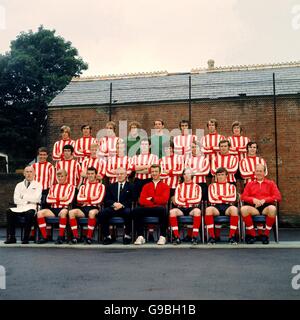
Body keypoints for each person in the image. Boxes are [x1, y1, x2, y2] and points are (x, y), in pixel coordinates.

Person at [240, 164, 281, 244]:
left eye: (260, 171)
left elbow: (278, 197)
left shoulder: (271, 183)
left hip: (266, 207)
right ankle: (253, 235)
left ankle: (265, 235)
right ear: (254, 172)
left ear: (264, 172)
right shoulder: (250, 184)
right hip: (254, 207)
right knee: (243, 209)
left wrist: (264, 200)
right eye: (257, 171)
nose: (258, 173)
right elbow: (243, 197)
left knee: (272, 209)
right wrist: (253, 200)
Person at [132, 165, 170, 245]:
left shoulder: (165, 186)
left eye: (156, 171)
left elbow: (164, 200)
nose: (154, 173)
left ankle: (162, 236)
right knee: (136, 210)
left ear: (160, 173)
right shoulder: (146, 186)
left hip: (158, 209)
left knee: (163, 210)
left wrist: (152, 199)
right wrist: (155, 201)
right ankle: (140, 236)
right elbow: (142, 200)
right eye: (152, 171)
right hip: (147, 208)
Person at [5, 166, 42, 244]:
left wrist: (24, 197)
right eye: (27, 172)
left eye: (30, 172)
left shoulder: (38, 185)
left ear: (34, 173)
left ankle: (26, 238)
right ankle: (12, 237)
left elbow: (37, 199)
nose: (29, 174)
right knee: (9, 211)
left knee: (29, 213)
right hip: (20, 207)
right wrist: (28, 200)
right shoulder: (19, 185)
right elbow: (16, 199)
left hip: (32, 207)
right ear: (24, 174)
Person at [68, 167, 105, 244]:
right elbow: (79, 199)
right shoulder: (83, 186)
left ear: (95, 175)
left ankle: (89, 237)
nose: (90, 175)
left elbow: (99, 200)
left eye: (92, 174)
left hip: (95, 208)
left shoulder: (101, 186)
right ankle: (75, 237)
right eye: (88, 174)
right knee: (71, 212)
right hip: (84, 208)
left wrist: (85, 198)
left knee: (91, 213)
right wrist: (91, 198)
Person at [37, 169, 75, 244]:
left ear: (66, 176)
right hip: (53, 209)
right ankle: (45, 237)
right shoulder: (53, 187)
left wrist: (54, 198)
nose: (60, 178)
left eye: (62, 176)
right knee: (40, 213)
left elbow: (68, 200)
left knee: (64, 212)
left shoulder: (71, 187)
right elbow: (48, 200)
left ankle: (60, 237)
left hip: (64, 208)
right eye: (58, 176)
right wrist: (61, 198)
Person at [99, 167, 134, 245]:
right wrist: (114, 204)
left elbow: (132, 199)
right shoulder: (111, 186)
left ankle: (127, 236)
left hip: (124, 208)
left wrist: (122, 205)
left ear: (125, 175)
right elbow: (107, 199)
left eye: (121, 174)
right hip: (113, 208)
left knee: (129, 212)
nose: (119, 176)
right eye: (118, 174)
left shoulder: (131, 186)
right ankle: (108, 236)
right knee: (102, 213)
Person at [205, 167, 239, 245]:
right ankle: (212, 237)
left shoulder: (231, 186)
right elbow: (212, 199)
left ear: (226, 176)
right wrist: (225, 197)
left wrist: (220, 197)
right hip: (216, 207)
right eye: (219, 175)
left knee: (234, 209)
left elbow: (232, 198)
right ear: (216, 176)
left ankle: (232, 236)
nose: (220, 176)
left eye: (222, 175)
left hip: (227, 207)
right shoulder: (212, 186)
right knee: (208, 210)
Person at [169, 168, 202, 245]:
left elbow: (197, 199)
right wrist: (189, 200)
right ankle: (176, 237)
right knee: (172, 212)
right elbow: (177, 200)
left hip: (192, 208)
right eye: (185, 174)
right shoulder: (179, 186)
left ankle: (194, 237)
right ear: (183, 176)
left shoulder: (197, 186)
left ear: (192, 175)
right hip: (181, 208)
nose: (186, 176)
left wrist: (185, 200)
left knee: (197, 211)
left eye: (188, 174)